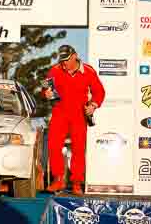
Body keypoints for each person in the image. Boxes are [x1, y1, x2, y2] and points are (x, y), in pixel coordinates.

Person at [41, 45, 105, 195]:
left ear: (74, 56)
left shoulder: (88, 71)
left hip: (79, 114)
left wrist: (93, 105)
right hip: (60, 112)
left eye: (67, 60)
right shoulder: (54, 70)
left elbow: (99, 91)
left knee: (78, 148)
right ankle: (58, 180)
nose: (64, 64)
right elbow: (44, 89)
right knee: (53, 145)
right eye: (62, 60)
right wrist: (47, 94)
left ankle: (76, 183)